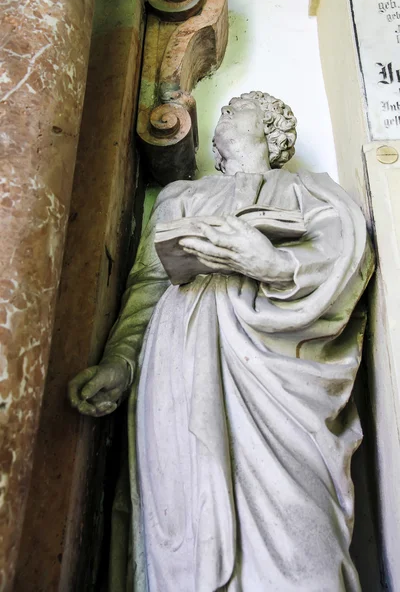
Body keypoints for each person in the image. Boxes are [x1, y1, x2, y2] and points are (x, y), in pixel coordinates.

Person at [69, 91, 374, 591]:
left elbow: (350, 263)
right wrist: (121, 362)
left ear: (273, 129)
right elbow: (146, 289)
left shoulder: (316, 194)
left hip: (280, 375)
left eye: (239, 108)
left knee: (306, 542)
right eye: (225, 109)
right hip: (181, 360)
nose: (223, 115)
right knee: (185, 520)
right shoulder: (181, 198)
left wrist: (274, 265)